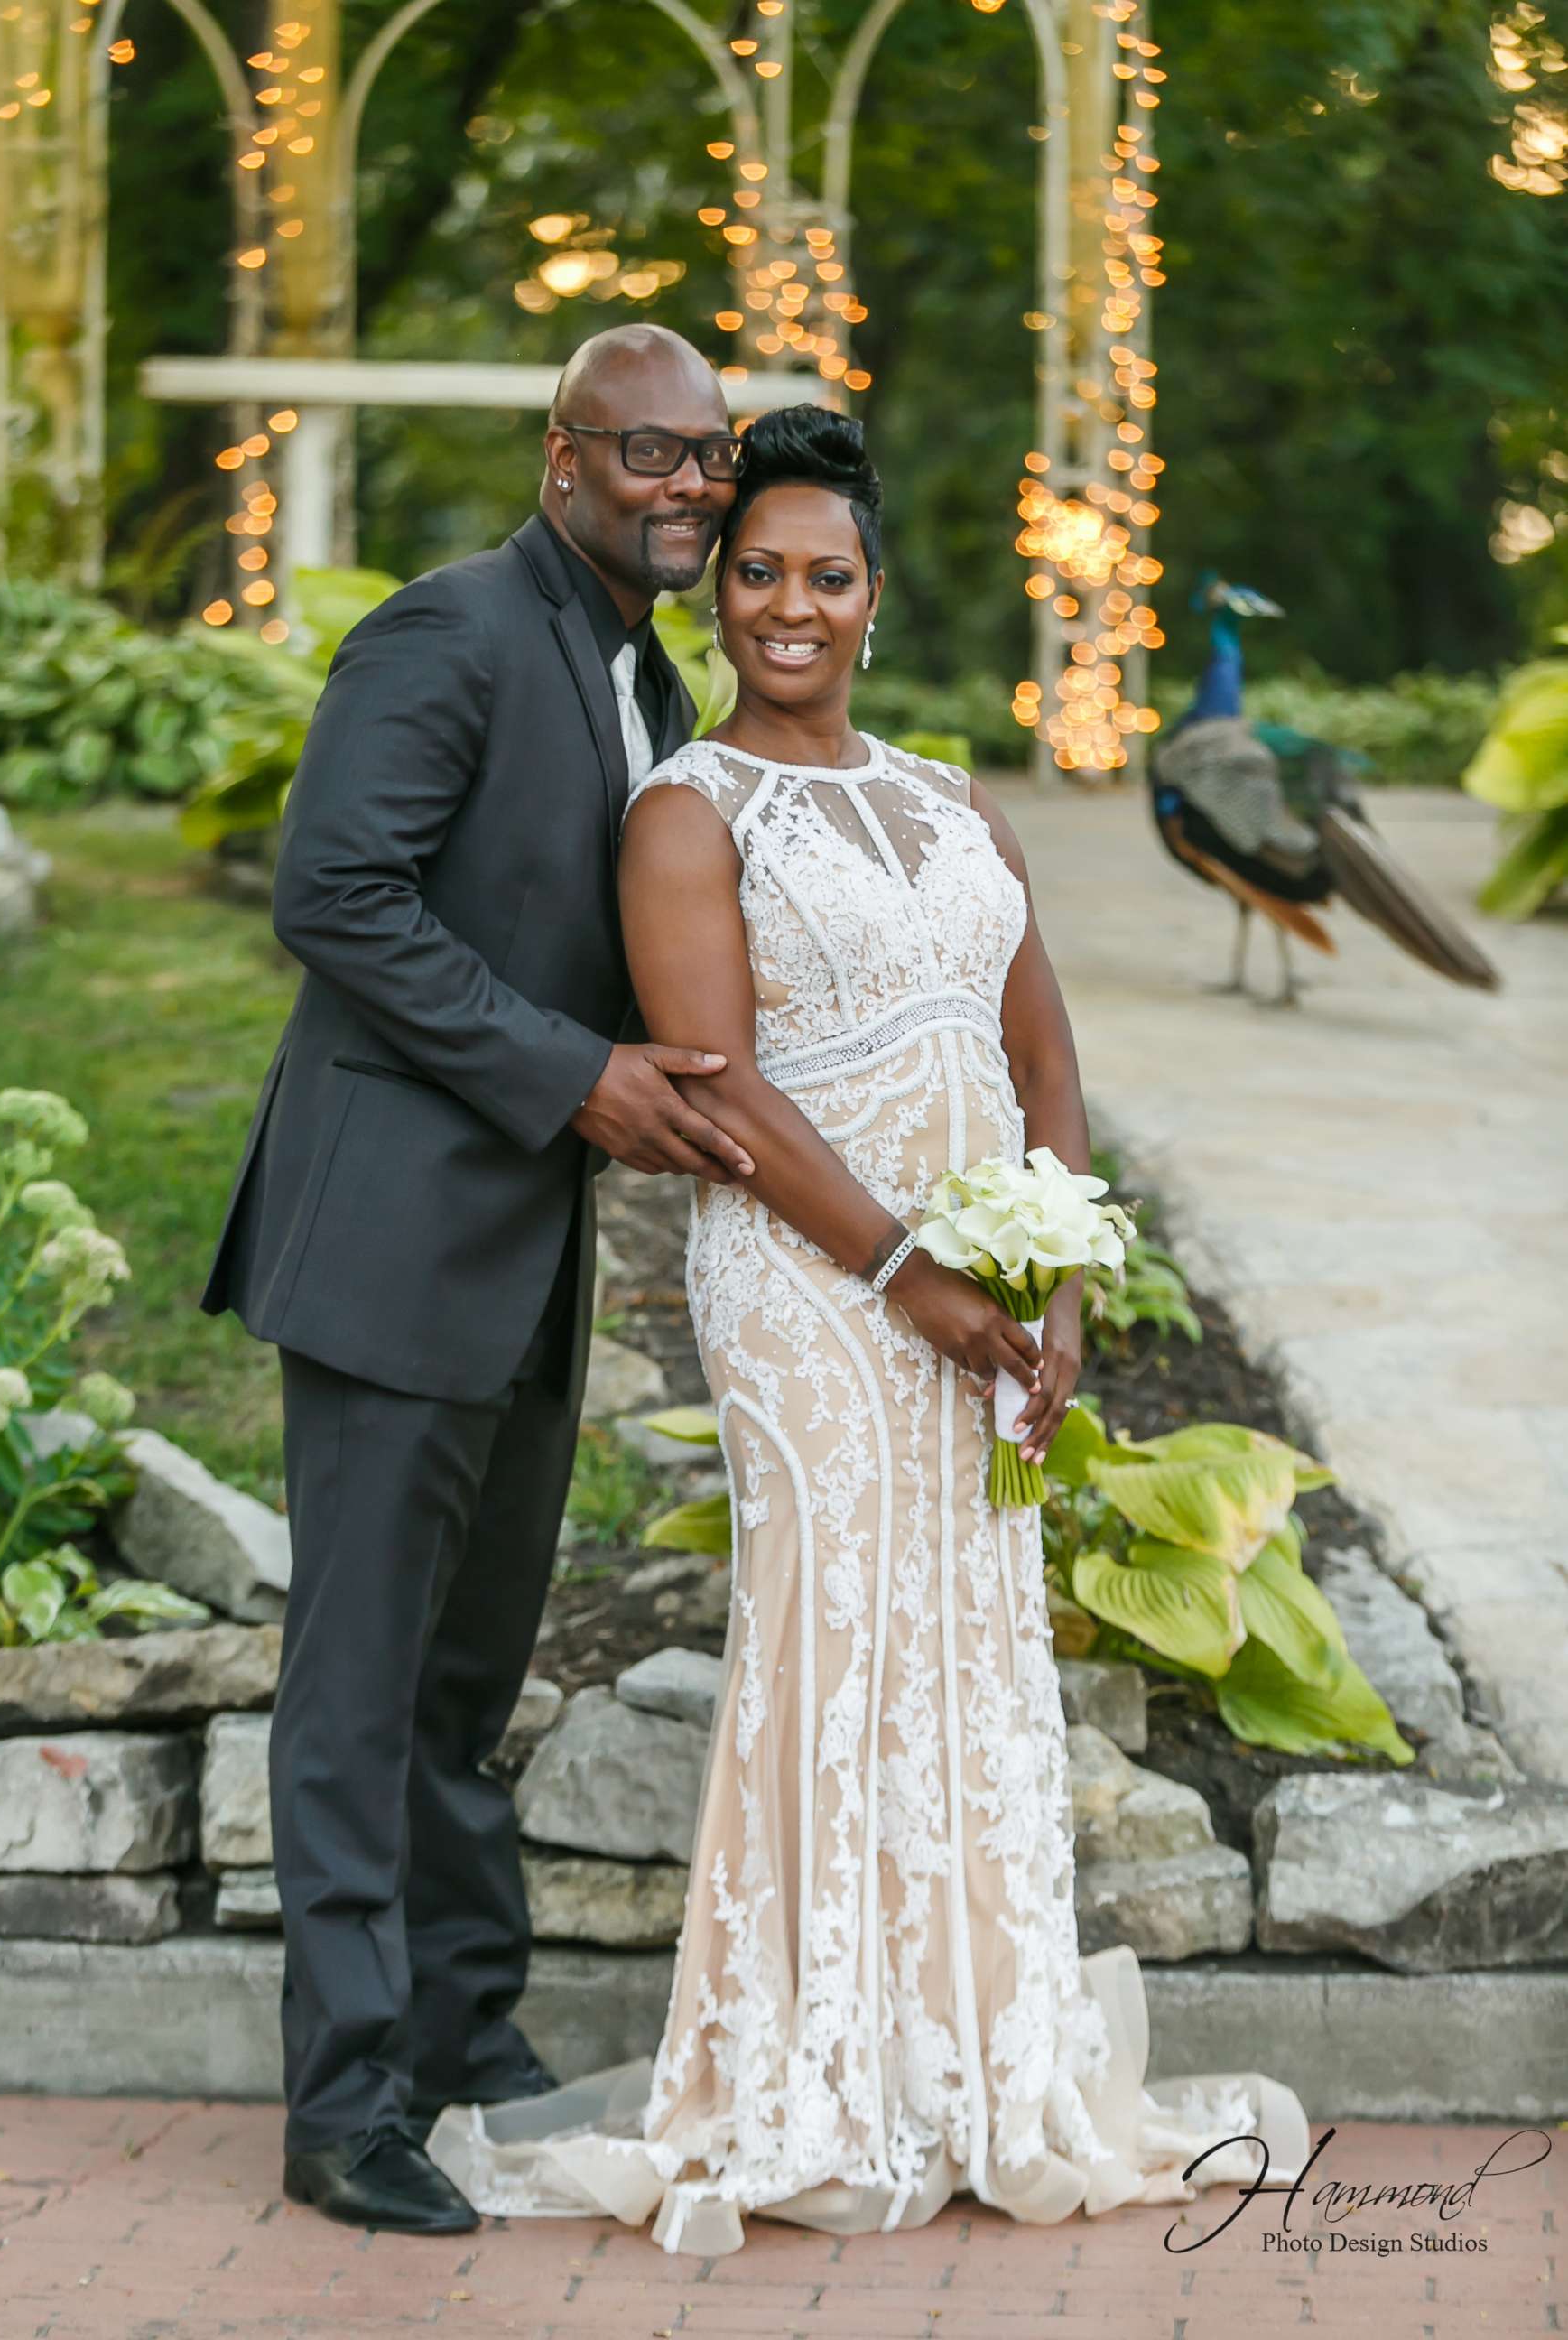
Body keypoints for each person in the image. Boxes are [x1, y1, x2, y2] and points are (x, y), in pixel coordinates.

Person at [426, 404, 1312, 2253]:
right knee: (834, 1647)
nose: (790, 606)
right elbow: (722, 1091)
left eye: (826, 575)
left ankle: (980, 2067)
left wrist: (1057, 1274)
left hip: (984, 1305)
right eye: (758, 573)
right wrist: (910, 1273)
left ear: (876, 597)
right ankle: (811, 2077)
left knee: (968, 1657)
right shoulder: (688, 810)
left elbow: (1042, 1051)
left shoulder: (950, 798)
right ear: (720, 594)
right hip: (811, 1296)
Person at [199, 323, 756, 2236]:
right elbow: (332, 891)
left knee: (466, 1677)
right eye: (652, 455)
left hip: (524, 1261)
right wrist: (570, 1075)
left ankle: (463, 2033)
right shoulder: (448, 631)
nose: (687, 485)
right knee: (358, 1691)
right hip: (387, 1247)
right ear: (565, 460)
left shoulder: (636, 670)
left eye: (710, 455)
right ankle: (344, 2108)